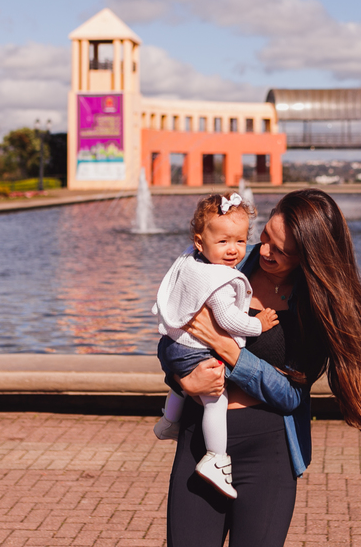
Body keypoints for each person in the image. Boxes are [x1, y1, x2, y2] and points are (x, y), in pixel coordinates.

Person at [166, 188, 361, 547]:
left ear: (308, 257)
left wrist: (228, 352)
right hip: (199, 441)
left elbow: (289, 394)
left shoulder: (315, 306)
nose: (263, 251)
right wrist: (183, 378)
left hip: (268, 450)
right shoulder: (222, 264)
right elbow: (173, 336)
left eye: (281, 251)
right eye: (264, 237)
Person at [153, 192, 276, 498]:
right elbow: (230, 320)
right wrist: (258, 324)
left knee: (181, 385)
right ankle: (216, 459)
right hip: (195, 350)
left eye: (240, 241)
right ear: (200, 242)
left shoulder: (191, 262)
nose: (233, 250)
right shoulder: (218, 280)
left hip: (172, 344)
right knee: (215, 400)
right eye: (223, 242)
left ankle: (169, 422)